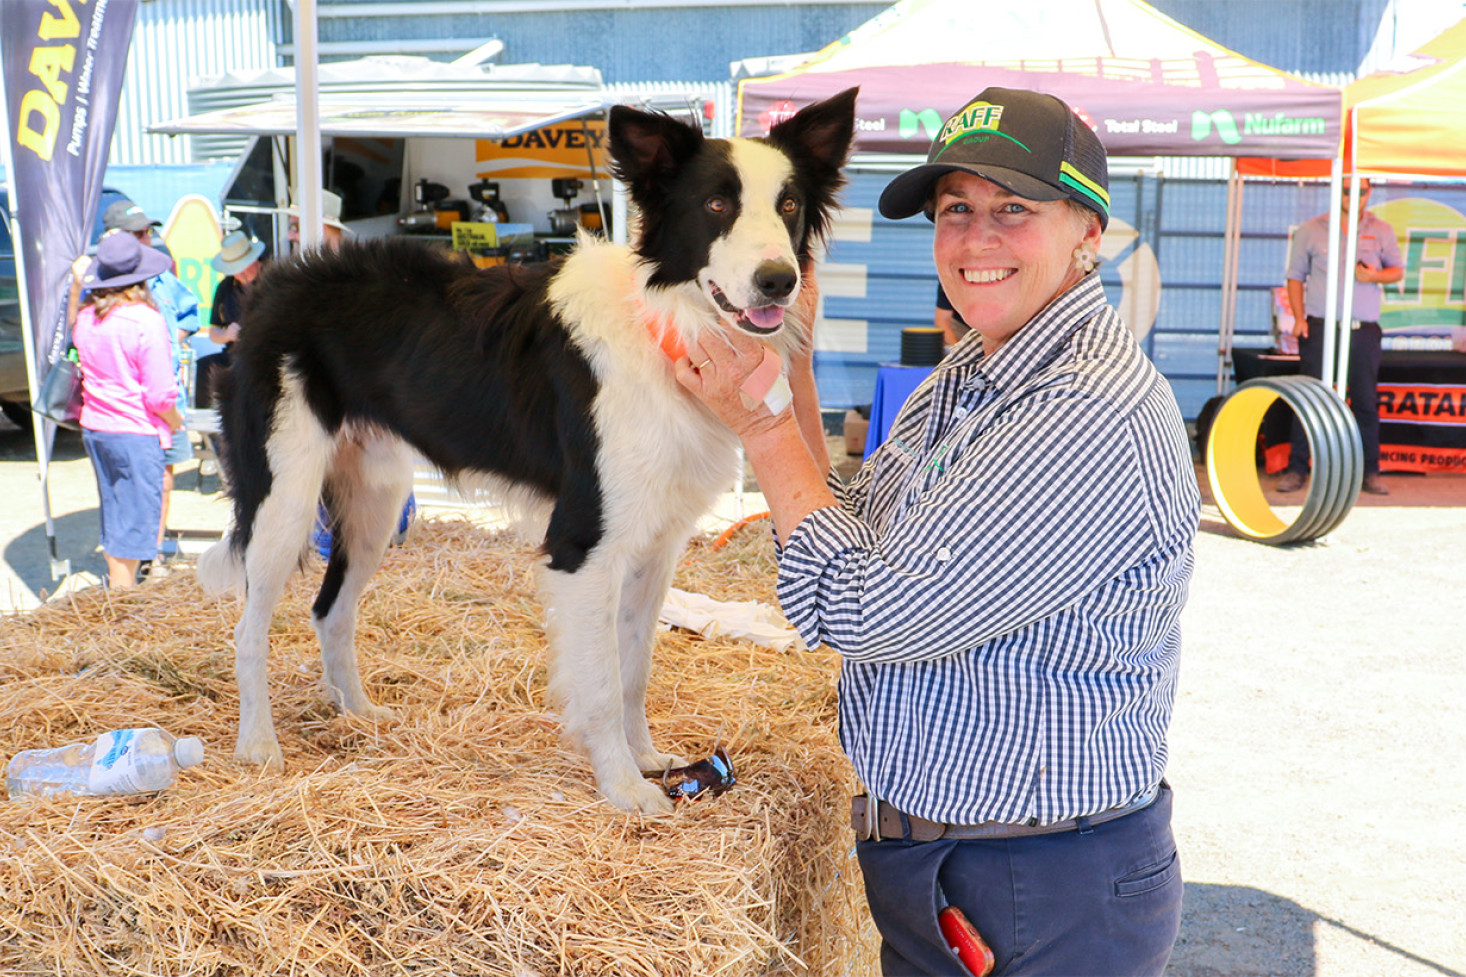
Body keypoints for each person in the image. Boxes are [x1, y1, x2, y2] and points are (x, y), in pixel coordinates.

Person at [676, 87, 1198, 976]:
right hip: (968, 871)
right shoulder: (970, 373)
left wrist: (761, 430)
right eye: (956, 209)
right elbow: (859, 519)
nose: (975, 239)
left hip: (1039, 887)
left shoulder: (1086, 410)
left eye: (1013, 210)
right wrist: (787, 357)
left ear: (1088, 233)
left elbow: (867, 605)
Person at [71, 233, 184, 590]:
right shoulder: (144, 319)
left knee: (116, 516)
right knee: (137, 522)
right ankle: (123, 606)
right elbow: (161, 395)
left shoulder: (87, 317)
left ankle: (120, 596)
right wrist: (177, 422)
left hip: (96, 427)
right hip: (136, 430)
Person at [1277, 178, 1403, 496]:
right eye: (1348, 190)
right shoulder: (1312, 228)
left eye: (1360, 190)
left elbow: (1397, 270)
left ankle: (1369, 472)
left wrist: (1373, 275)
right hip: (1321, 327)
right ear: (1338, 192)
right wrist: (1299, 318)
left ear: (1369, 192)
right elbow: (1294, 276)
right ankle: (1297, 468)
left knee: (1364, 401)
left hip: (1362, 330)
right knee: (1310, 398)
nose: (1354, 196)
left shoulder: (1382, 229)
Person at [194, 230, 265, 409]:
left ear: (254, 260)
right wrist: (227, 334)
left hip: (265, 355)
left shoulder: (273, 280)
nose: (240, 275)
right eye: (235, 271)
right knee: (204, 367)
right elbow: (213, 332)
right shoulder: (225, 287)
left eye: (244, 268)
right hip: (234, 354)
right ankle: (209, 430)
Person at [286, 188, 351, 251]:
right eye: (291, 228)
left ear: (321, 228)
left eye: (297, 228)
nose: (289, 236)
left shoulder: (350, 261)